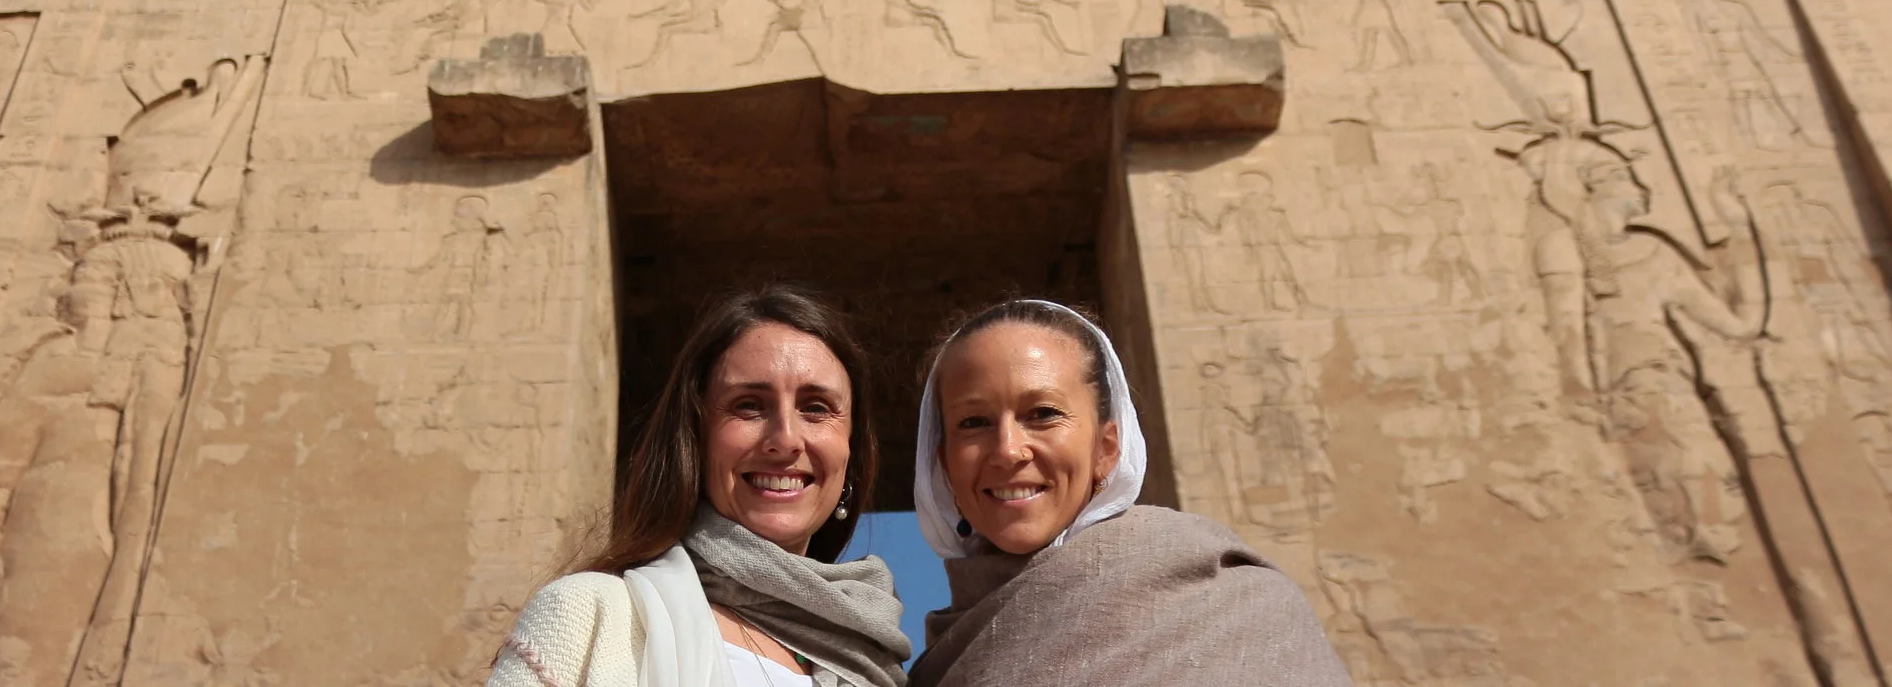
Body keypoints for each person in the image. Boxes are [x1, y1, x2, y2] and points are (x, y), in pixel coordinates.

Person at [908, 299, 1351, 686]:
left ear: (1106, 448)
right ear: (944, 464)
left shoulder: (1230, 603)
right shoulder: (937, 661)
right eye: (973, 422)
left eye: (1042, 414)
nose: (1008, 450)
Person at [491, 286, 910, 687]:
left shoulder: (875, 666)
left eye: (816, 408)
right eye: (749, 405)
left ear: (850, 453)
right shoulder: (587, 619)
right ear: (695, 438)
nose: (785, 439)